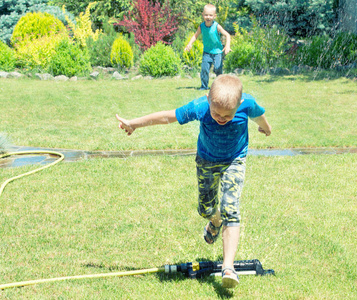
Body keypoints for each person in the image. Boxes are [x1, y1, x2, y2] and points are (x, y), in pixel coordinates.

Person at [115, 74, 272, 289]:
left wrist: (266, 128)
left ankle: (228, 267)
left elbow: (259, 116)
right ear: (208, 99)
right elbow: (167, 117)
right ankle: (214, 222)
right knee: (206, 209)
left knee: (230, 209)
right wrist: (133, 124)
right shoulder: (200, 106)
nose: (221, 118)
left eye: (228, 115)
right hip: (206, 160)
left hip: (235, 160)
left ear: (240, 103)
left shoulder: (248, 104)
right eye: (216, 113)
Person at [185, 4, 231, 90]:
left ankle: (220, 86)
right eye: (206, 15)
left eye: (210, 15)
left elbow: (227, 35)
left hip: (217, 52)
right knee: (204, 70)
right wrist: (189, 44)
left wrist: (227, 46)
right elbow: (195, 35)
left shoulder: (216, 26)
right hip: (207, 52)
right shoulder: (201, 26)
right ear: (203, 15)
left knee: (218, 69)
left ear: (214, 16)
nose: (208, 17)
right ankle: (204, 86)